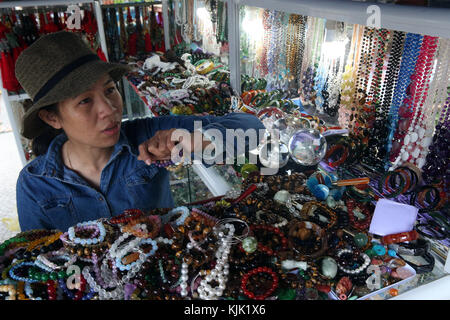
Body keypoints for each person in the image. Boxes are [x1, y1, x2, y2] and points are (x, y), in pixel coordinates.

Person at [15, 31, 264, 232]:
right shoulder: (35, 185)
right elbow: (36, 257)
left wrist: (195, 140)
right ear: (52, 117)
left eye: (110, 90)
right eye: (85, 101)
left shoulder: (148, 134)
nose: (109, 109)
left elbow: (253, 128)